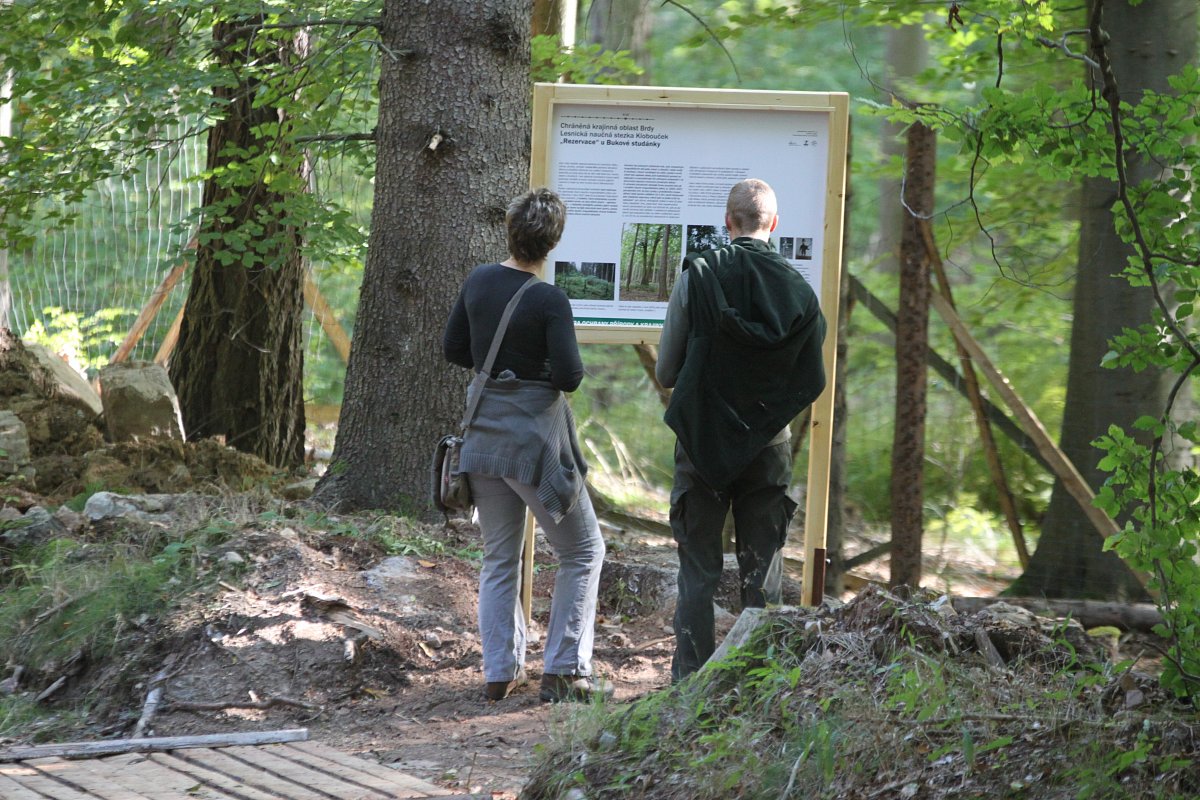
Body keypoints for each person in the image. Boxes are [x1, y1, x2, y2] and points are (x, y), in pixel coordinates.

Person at [442, 188, 610, 703]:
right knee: (583, 551)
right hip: (533, 447)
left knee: (499, 558)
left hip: (483, 440)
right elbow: (569, 376)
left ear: (510, 231)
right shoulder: (549, 299)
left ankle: (500, 672)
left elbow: (454, 349)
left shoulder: (478, 280)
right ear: (552, 242)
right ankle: (563, 670)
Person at [656, 178, 827, 681]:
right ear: (773, 225)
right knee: (764, 573)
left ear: (727, 223)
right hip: (768, 446)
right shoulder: (799, 290)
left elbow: (667, 371)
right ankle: (758, 688)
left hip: (702, 445)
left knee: (699, 573)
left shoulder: (699, 275)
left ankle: (689, 687)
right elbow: (809, 377)